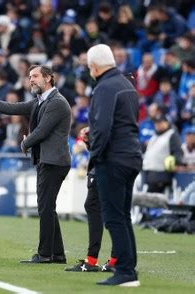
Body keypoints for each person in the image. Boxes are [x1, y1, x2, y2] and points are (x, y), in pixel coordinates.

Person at [0, 64, 71, 263]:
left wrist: (24, 142)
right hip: (47, 160)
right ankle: (56, 254)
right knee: (47, 207)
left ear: (48, 78)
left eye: (35, 76)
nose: (30, 79)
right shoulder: (40, 102)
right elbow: (12, 108)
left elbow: (42, 131)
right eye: (29, 76)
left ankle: (44, 255)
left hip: (54, 161)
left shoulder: (57, 102)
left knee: (45, 207)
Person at [87, 44, 142, 286]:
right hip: (131, 155)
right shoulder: (126, 85)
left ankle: (125, 272)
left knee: (113, 217)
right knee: (123, 216)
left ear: (94, 67)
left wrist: (94, 156)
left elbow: (103, 128)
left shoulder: (105, 87)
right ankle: (128, 268)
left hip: (113, 159)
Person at [65, 127, 116, 272]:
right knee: (112, 211)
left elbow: (105, 132)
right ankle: (114, 260)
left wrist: (91, 134)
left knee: (98, 208)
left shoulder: (107, 110)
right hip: (114, 165)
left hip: (104, 167)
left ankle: (93, 260)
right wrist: (89, 141)